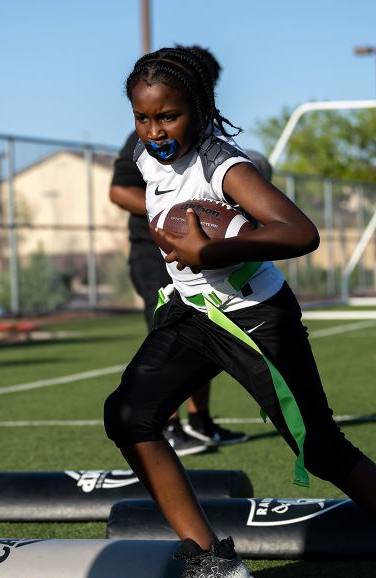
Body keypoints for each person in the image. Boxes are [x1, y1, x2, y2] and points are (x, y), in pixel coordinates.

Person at [102, 47, 376, 578]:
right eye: (143, 119)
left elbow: (301, 232)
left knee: (321, 449)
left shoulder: (225, 166)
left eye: (166, 116)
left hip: (255, 317)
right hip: (193, 314)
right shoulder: (149, 164)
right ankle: (210, 560)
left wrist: (212, 249)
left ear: (198, 108)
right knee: (127, 416)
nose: (154, 130)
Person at [109, 45, 248, 458]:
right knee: (171, 336)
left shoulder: (208, 143)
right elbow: (118, 190)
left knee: (207, 330)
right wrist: (170, 215)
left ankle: (200, 423)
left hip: (199, 251)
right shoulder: (149, 136)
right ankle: (167, 425)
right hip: (154, 250)